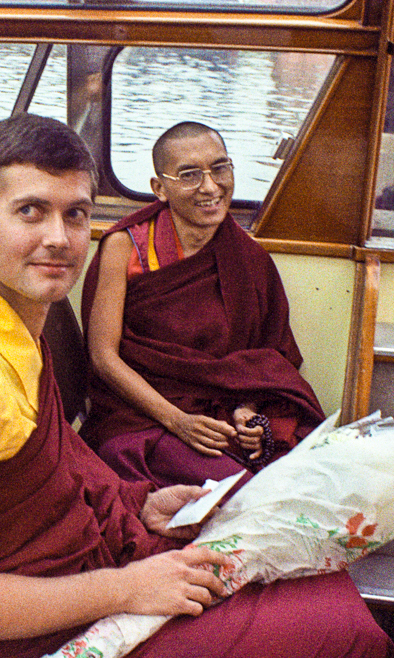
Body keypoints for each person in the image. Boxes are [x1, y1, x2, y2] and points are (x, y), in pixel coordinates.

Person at [0, 113, 394, 658]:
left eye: (76, 214)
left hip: (84, 566)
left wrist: (140, 503)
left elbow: (62, 466)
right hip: (32, 637)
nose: (58, 238)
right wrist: (132, 587)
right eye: (30, 211)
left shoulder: (13, 325)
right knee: (344, 635)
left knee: (314, 575)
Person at [80, 121, 325, 488]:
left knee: (308, 472)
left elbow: (267, 358)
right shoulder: (125, 247)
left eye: (220, 168)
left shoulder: (248, 257)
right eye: (190, 174)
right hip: (141, 416)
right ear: (159, 188)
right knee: (245, 490)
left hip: (222, 414)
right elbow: (103, 357)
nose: (210, 187)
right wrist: (177, 420)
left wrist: (248, 412)